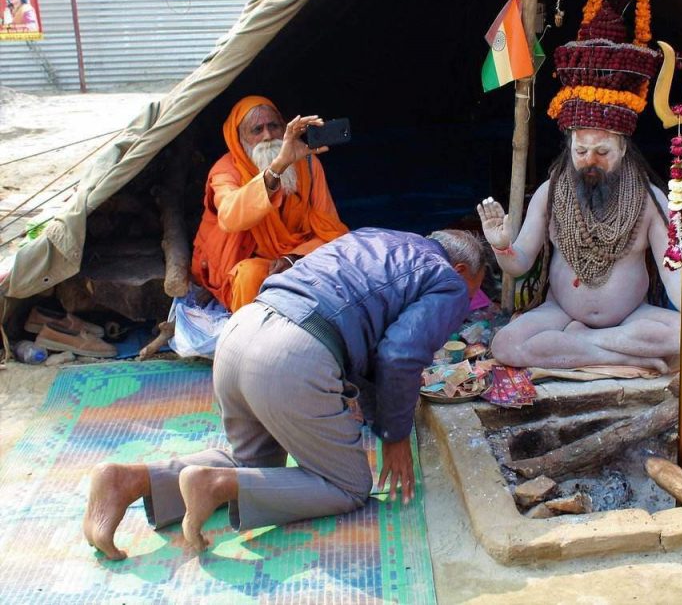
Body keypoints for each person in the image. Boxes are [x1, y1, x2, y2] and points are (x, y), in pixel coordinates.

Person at [83, 227, 487, 560]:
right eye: (471, 294)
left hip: (241, 333)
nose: (463, 306)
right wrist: (395, 435)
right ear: (461, 268)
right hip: (293, 355)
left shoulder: (374, 237)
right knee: (349, 486)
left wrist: (368, 406)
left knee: (255, 464)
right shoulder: (447, 279)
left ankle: (129, 480)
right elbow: (399, 356)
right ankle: (218, 485)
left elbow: (365, 328)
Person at [476, 0, 682, 373]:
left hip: (632, 319)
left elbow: (674, 278)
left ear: (624, 149)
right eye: (581, 152)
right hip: (560, 313)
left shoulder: (650, 201)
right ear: (569, 147)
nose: (590, 161)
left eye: (602, 152)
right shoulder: (551, 192)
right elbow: (519, 263)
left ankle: (584, 348)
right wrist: (501, 243)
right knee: (506, 343)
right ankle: (620, 359)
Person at [191, 95, 348, 311]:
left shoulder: (308, 164)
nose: (268, 136)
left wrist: (293, 258)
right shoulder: (226, 170)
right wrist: (278, 167)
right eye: (257, 130)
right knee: (249, 276)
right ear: (238, 138)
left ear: (284, 128)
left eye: (273, 126)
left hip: (300, 258)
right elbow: (230, 217)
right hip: (251, 263)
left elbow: (330, 230)